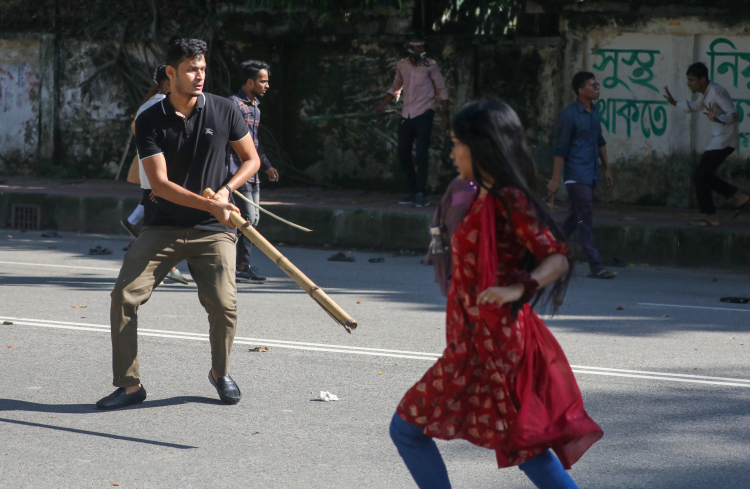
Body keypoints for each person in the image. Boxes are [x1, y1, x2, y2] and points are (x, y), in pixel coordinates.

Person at [390, 100, 602, 489]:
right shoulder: (480, 196)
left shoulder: (509, 199)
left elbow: (557, 256)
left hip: (487, 348)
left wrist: (516, 288)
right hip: (478, 342)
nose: (453, 153)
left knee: (406, 429)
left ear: (481, 146)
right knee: (524, 449)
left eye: (458, 144)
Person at [96, 38, 261, 410]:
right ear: (170, 74)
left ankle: (220, 374)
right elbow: (159, 184)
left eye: (202, 68)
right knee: (124, 296)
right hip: (163, 226)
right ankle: (130, 385)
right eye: (190, 68)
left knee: (224, 305)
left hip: (213, 228)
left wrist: (225, 192)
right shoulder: (150, 119)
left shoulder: (224, 109)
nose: (199, 75)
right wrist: (209, 201)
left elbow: (250, 159)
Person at [663, 62, 750, 226]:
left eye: (691, 80)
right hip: (721, 139)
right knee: (704, 175)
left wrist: (718, 119)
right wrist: (675, 102)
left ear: (702, 80)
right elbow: (696, 105)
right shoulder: (706, 93)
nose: (688, 83)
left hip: (725, 140)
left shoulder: (717, 92)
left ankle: (712, 217)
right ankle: (739, 197)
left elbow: (734, 114)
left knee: (699, 176)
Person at [548, 72, 616, 280]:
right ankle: (596, 265)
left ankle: (543, 252)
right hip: (576, 175)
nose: (597, 87)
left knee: (572, 220)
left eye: (597, 84)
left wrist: (607, 168)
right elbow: (561, 149)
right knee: (584, 219)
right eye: (593, 85)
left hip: (591, 174)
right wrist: (554, 179)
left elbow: (600, 141)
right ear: (581, 91)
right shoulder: (569, 115)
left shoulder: (594, 112)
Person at [127, 64, 188, 285]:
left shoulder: (149, 107)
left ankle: (161, 269)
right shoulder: (160, 108)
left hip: (155, 181)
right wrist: (161, 183)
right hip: (161, 182)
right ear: (167, 83)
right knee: (159, 230)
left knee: (158, 228)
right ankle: (148, 271)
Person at [375, 32, 449, 208]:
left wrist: (446, 113)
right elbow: (395, 88)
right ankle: (414, 190)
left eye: (422, 46)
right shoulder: (402, 65)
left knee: (422, 155)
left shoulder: (431, 65)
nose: (421, 49)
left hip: (424, 113)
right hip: (406, 115)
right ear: (409, 48)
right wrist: (381, 106)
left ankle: (421, 194)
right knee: (403, 154)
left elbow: (442, 89)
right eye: (417, 46)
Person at [226, 60, 279, 284]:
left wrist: (266, 166)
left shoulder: (255, 107)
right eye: (262, 81)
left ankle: (238, 265)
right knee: (246, 219)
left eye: (267, 81)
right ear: (250, 82)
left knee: (251, 220)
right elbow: (227, 140)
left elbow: (253, 143)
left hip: (253, 171)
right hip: (238, 171)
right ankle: (238, 266)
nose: (267, 85)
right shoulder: (233, 105)